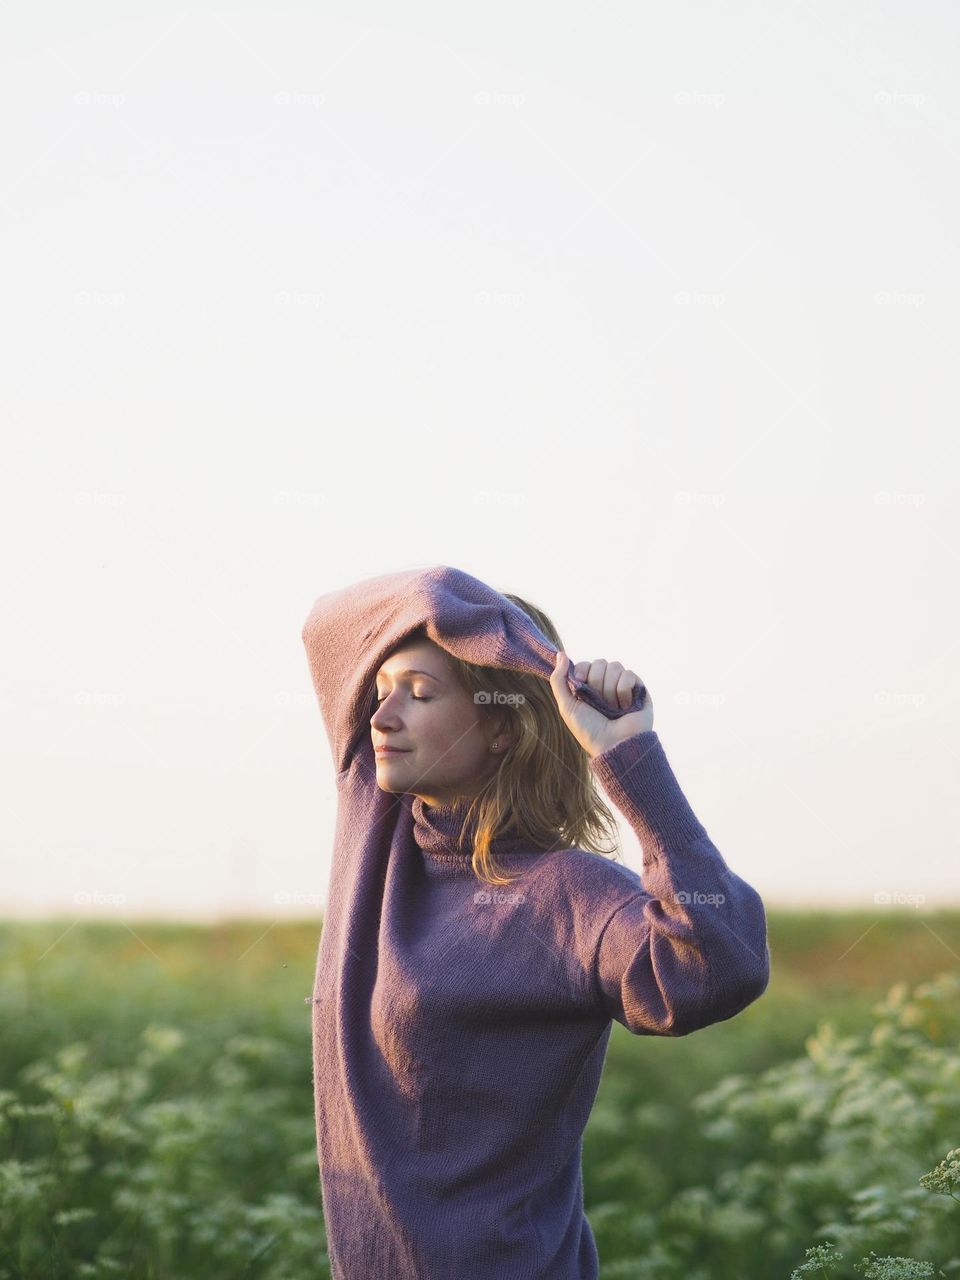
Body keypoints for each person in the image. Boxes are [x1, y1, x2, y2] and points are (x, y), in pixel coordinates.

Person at [302, 564, 770, 1279]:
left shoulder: (568, 895)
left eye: (420, 694)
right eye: (381, 689)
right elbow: (330, 625)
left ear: (503, 729)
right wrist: (532, 651)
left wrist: (628, 753)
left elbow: (720, 962)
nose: (380, 715)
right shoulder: (378, 831)